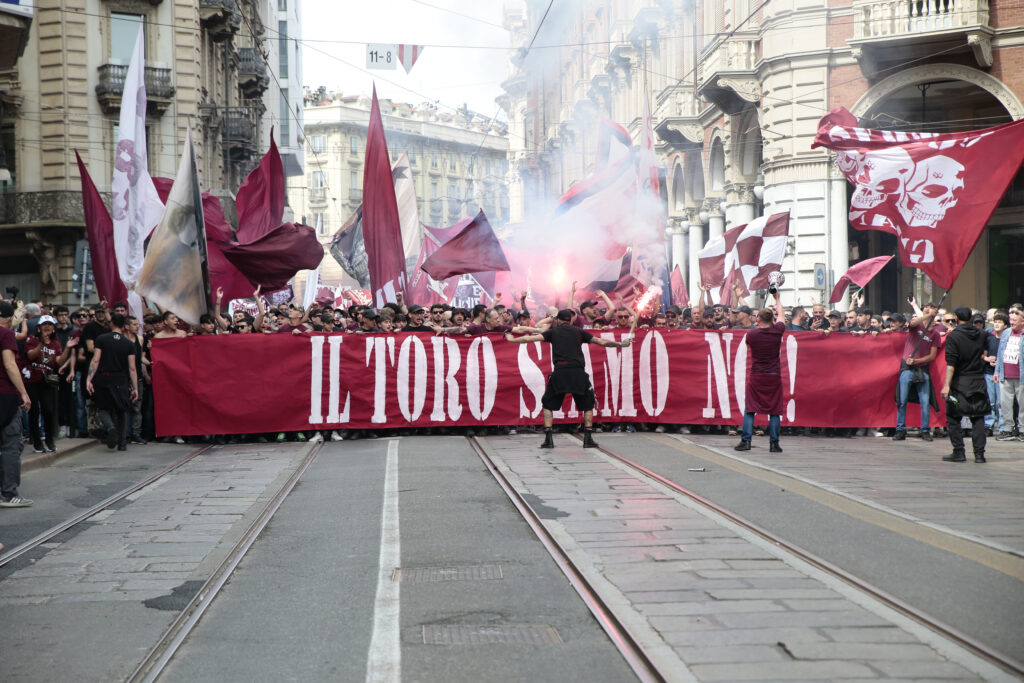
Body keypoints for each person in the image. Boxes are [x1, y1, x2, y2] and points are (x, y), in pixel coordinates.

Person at [504, 309, 632, 448]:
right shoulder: (579, 331)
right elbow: (601, 341)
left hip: (560, 372)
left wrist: (512, 339)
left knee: (548, 404)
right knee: (587, 405)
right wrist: (620, 344)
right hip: (578, 372)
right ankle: (587, 439)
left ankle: (548, 439)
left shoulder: (553, 332)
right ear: (570, 320)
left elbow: (529, 339)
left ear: (558, 320)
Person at [735, 289, 786, 453]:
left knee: (750, 409)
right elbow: (782, 316)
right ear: (771, 319)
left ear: (758, 319)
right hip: (773, 375)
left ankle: (746, 441)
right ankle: (774, 443)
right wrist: (777, 299)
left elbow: (748, 346)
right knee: (775, 411)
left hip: (757, 375)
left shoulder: (752, 334)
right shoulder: (777, 331)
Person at [940, 306, 990, 463]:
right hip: (978, 384)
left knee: (953, 415)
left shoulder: (953, 337)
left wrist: (946, 385)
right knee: (978, 417)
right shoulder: (982, 334)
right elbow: (984, 353)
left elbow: (951, 364)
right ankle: (979, 454)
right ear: (971, 318)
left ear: (956, 318)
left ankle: (959, 451)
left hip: (958, 386)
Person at [24, 315, 77, 453]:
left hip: (47, 380)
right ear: (39, 327)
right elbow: (30, 355)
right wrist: (41, 344)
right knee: (34, 411)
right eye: (44, 324)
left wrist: (67, 348)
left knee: (48, 410)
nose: (47, 327)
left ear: (54, 328)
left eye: (50, 324)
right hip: (32, 379)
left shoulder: (56, 343)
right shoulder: (32, 339)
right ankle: (37, 442)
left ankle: (49, 440)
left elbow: (59, 361)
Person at [893, 297, 943, 442]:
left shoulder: (935, 334)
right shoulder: (917, 326)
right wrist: (927, 315)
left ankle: (925, 430)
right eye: (926, 310)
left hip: (922, 370)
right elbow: (912, 323)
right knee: (902, 400)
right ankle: (900, 429)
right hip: (907, 369)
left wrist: (917, 361)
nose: (928, 313)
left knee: (925, 402)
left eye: (931, 311)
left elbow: (932, 356)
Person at [87, 313, 139, 451]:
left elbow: (95, 360)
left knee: (103, 408)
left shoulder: (101, 339)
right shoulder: (129, 343)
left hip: (104, 377)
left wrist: (89, 379)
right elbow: (132, 368)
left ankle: (110, 427)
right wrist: (135, 388)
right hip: (121, 379)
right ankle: (122, 442)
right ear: (124, 326)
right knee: (121, 411)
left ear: (111, 324)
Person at [1, 300, 33, 507]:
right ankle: (9, 494)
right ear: (11, 318)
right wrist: (23, 393)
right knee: (11, 444)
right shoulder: (6, 334)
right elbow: (10, 364)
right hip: (5, 394)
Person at [994, 306, 1023, 440]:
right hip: (1005, 375)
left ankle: (1022, 430)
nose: (1011, 323)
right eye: (1010, 320)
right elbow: (1000, 352)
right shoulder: (1006, 333)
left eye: (1014, 321)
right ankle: (1007, 429)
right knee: (1004, 404)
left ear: (1022, 321)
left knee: (1022, 405)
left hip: (1021, 376)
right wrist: (997, 371)